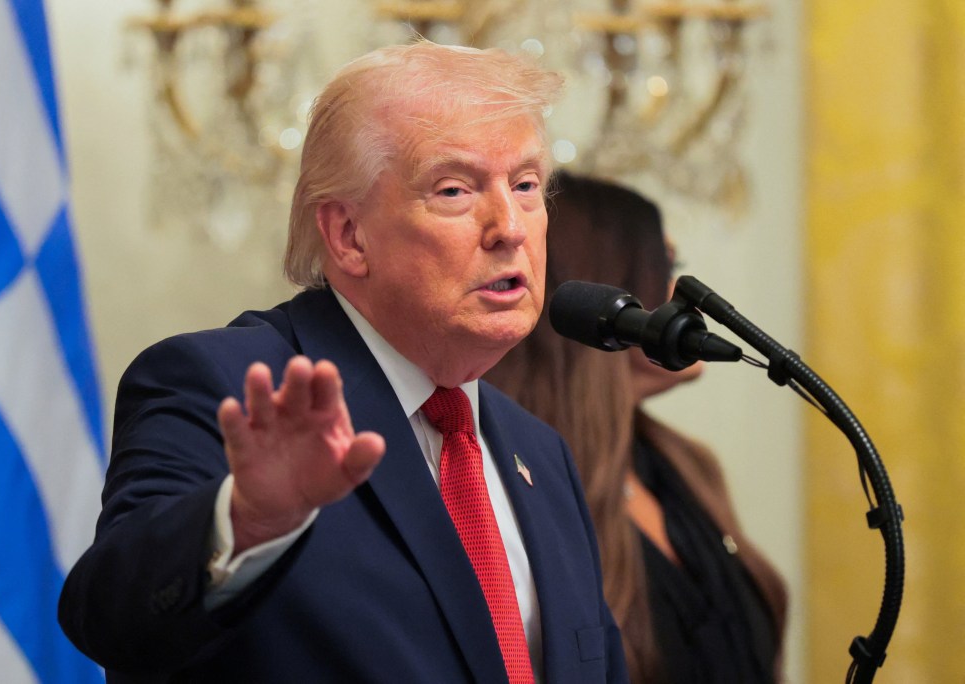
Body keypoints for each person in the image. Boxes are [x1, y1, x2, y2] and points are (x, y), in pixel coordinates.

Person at [58, 42, 628, 683]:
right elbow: (109, 619)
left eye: (526, 186)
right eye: (454, 189)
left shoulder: (539, 454)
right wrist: (247, 520)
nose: (510, 227)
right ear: (348, 235)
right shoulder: (228, 386)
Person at [485, 171, 787, 684]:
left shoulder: (689, 469)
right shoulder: (516, 491)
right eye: (665, 269)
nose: (681, 296)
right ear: (599, 302)